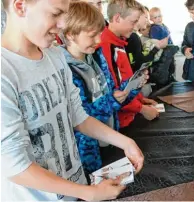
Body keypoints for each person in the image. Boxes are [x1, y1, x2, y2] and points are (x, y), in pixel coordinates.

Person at [1, 0, 144, 201]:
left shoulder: (55, 56)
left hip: (73, 189)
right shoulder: (4, 71)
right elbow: (13, 165)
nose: (62, 24)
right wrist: (88, 193)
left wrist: (125, 142)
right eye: (55, 13)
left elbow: (78, 117)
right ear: (20, 6)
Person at [59, 1, 146, 175]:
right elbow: (80, 118)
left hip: (109, 137)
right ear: (70, 34)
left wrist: (132, 88)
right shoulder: (64, 69)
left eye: (99, 34)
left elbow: (111, 93)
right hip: (87, 153)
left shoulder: (97, 57)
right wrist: (112, 100)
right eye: (92, 36)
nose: (98, 41)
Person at [99, 0, 159, 128]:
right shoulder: (107, 46)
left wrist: (140, 99)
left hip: (129, 114)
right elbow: (116, 91)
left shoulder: (119, 42)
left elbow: (126, 80)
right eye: (133, 22)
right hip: (120, 122)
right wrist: (141, 109)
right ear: (117, 18)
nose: (135, 26)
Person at [125, 6, 168, 73]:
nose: (148, 21)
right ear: (138, 17)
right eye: (146, 17)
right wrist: (157, 48)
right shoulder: (133, 37)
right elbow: (142, 62)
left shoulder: (131, 36)